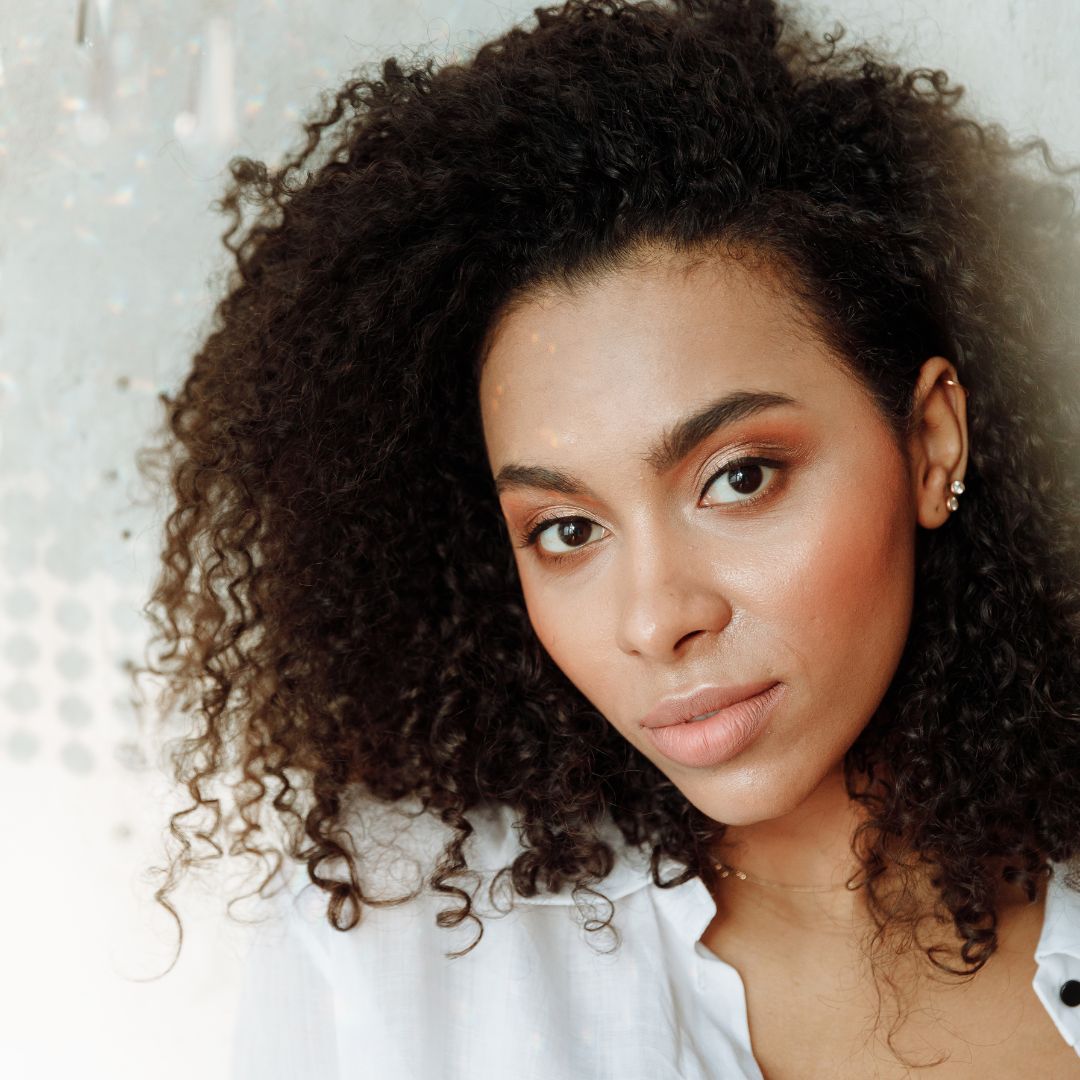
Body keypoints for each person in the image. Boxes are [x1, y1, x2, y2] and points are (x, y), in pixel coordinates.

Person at [138, 0, 1080, 1075]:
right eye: (568, 529)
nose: (655, 619)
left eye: (738, 477)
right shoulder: (396, 954)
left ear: (929, 444)